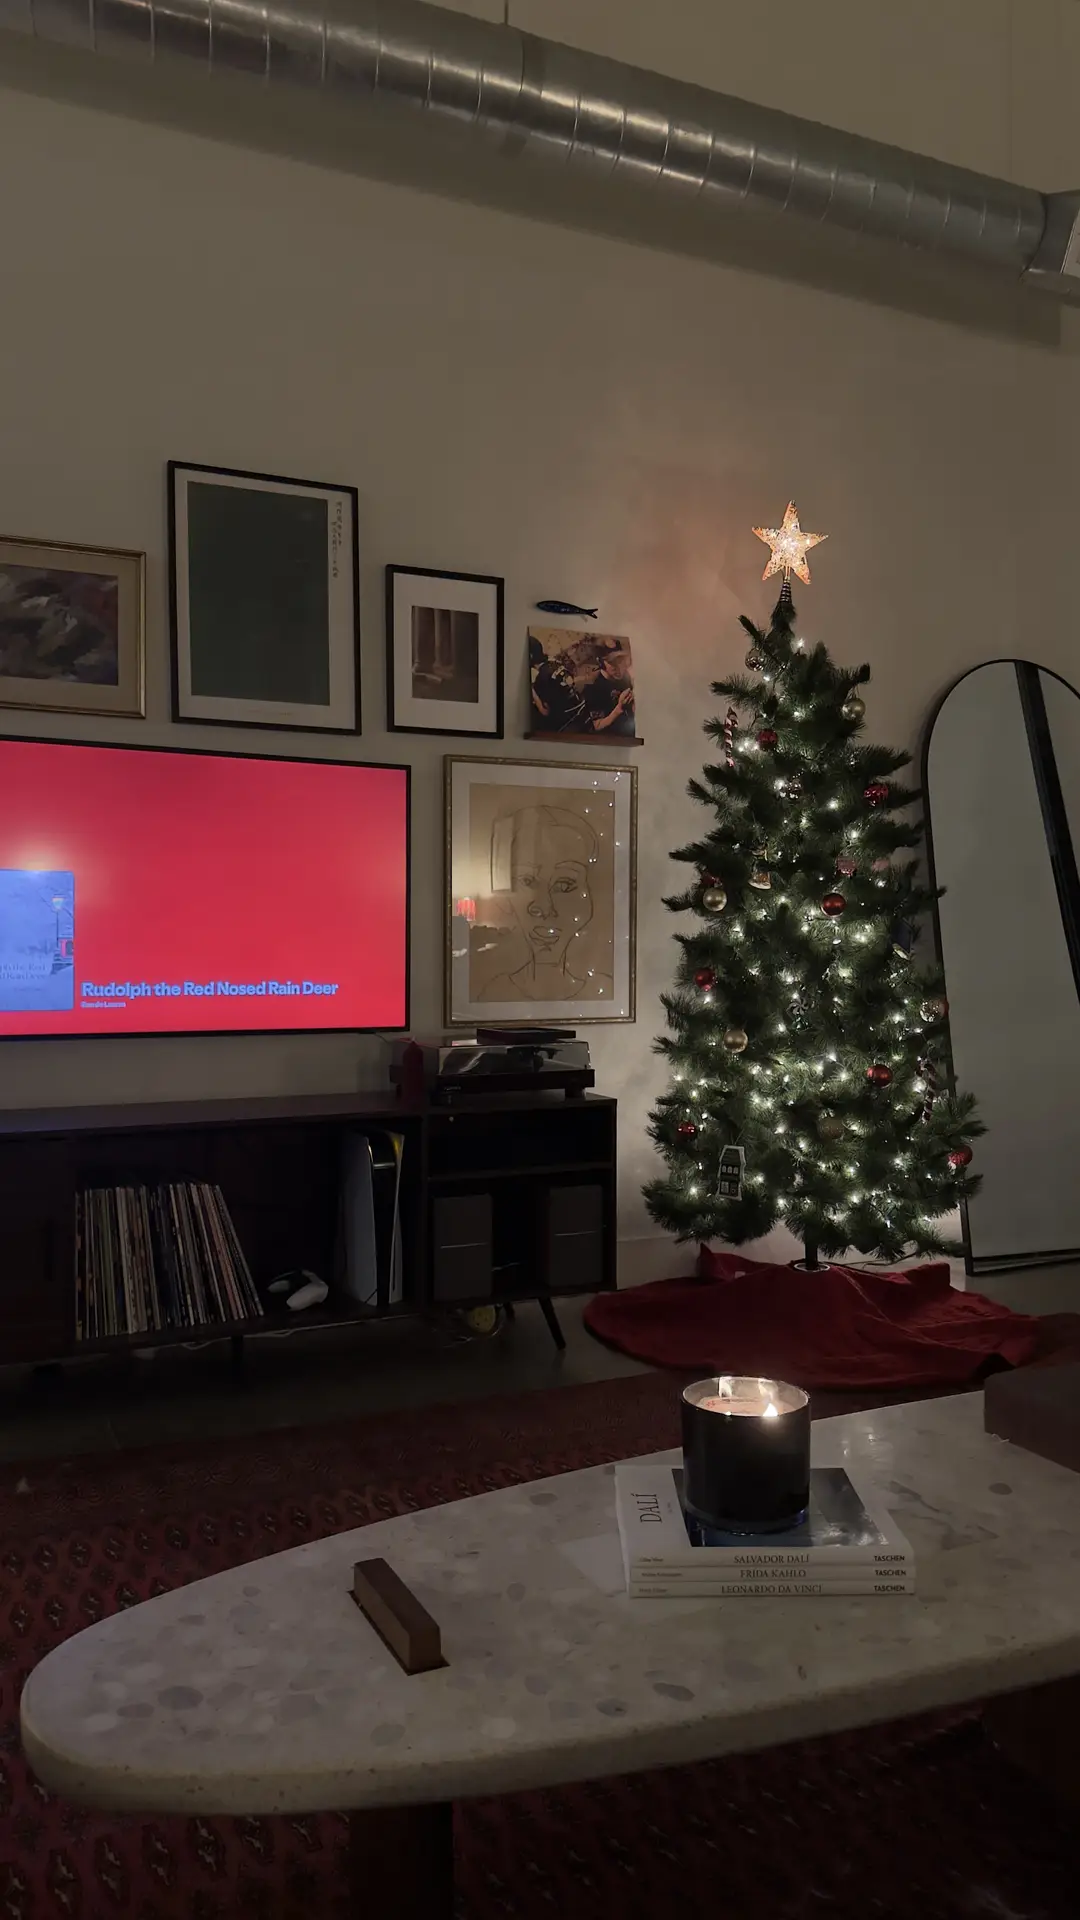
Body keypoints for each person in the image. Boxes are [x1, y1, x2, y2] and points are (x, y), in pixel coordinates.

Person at [476, 803, 613, 1003]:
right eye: (527, 881)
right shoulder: (496, 993)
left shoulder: (604, 990)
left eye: (565, 885)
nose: (543, 907)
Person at [529, 635, 586, 733]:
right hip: (580, 707)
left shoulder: (542, 678)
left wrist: (531, 689)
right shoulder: (554, 662)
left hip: (567, 722)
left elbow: (545, 712)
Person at [582, 647, 635, 737]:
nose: (619, 668)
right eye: (613, 663)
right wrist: (619, 709)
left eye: (620, 661)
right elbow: (597, 726)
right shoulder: (593, 687)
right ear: (601, 663)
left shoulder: (624, 677)